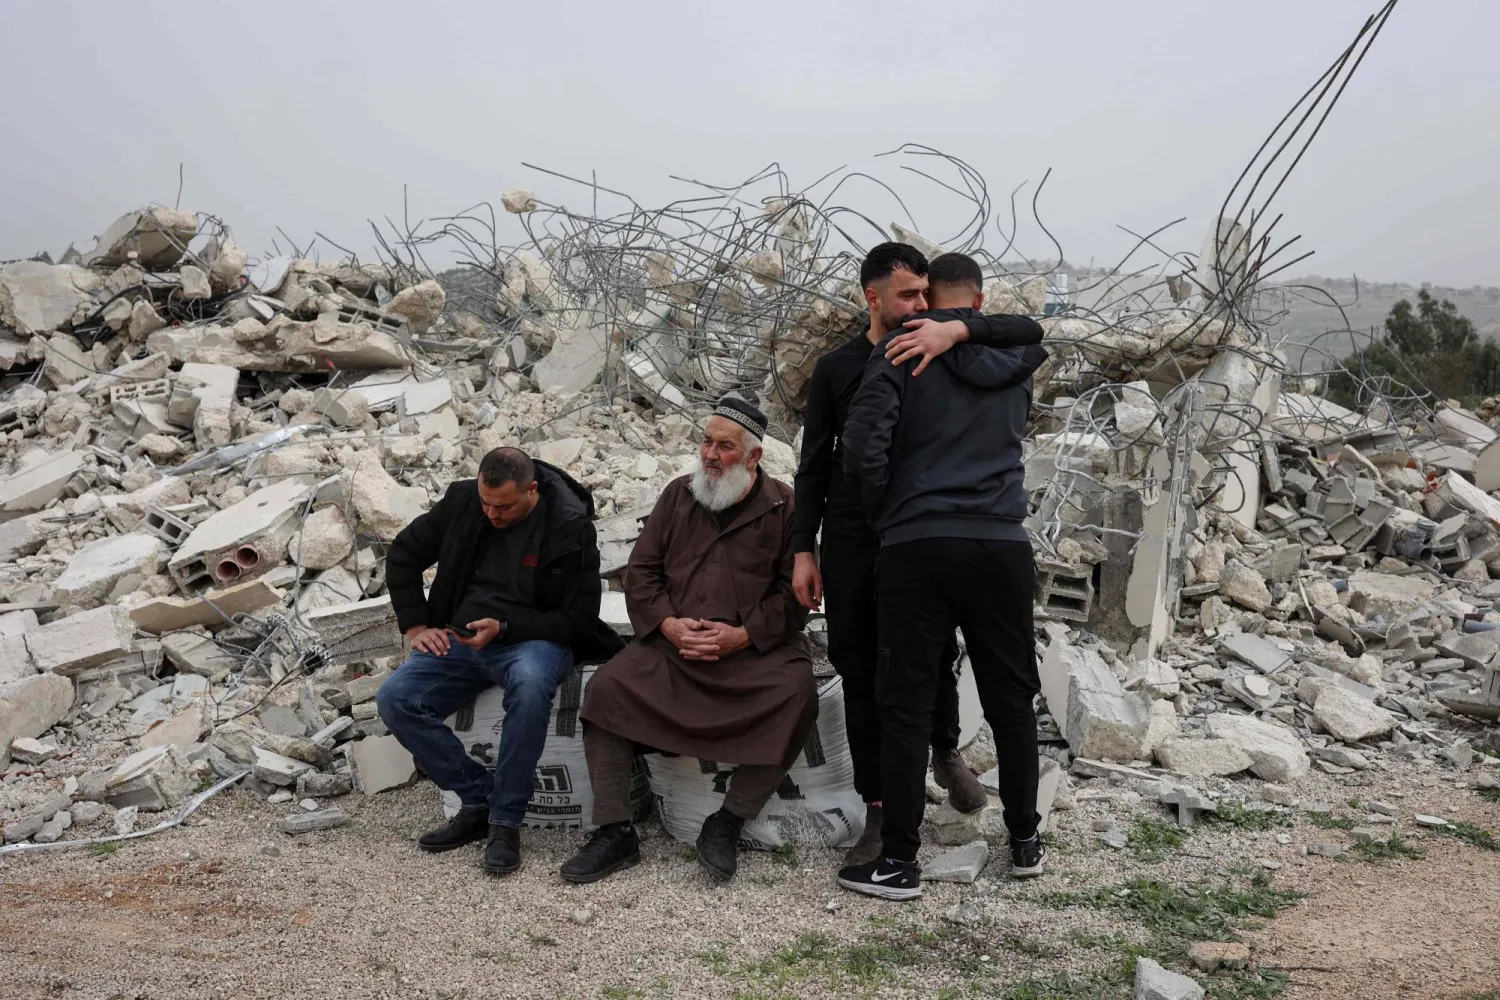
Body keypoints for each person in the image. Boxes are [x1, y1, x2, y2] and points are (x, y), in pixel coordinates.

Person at [790, 241, 1044, 865]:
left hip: (917, 538)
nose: (921, 306)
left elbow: (1025, 334)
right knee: (866, 673)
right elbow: (816, 466)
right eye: (908, 296)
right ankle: (879, 812)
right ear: (872, 298)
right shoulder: (844, 367)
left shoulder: (945, 347)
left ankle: (945, 750)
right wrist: (804, 546)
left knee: (932, 661)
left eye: (928, 295)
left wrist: (956, 328)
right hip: (861, 538)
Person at [560, 397, 816, 885]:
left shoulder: (786, 508)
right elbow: (643, 572)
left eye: (725, 446)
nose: (710, 455)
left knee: (797, 694)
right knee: (607, 689)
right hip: (674, 647)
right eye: (706, 442)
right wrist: (670, 626)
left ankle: (726, 823)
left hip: (749, 653)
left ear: (753, 457)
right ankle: (614, 832)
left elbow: (795, 594)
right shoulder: (678, 495)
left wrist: (743, 635)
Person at [376, 447, 624, 875]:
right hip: (459, 637)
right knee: (396, 697)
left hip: (532, 639)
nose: (491, 514)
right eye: (485, 502)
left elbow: (580, 619)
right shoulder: (463, 501)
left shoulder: (569, 526)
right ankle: (477, 801)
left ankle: (505, 823)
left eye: (504, 506)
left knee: (529, 689)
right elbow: (403, 554)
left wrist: (506, 628)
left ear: (532, 490)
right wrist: (416, 627)